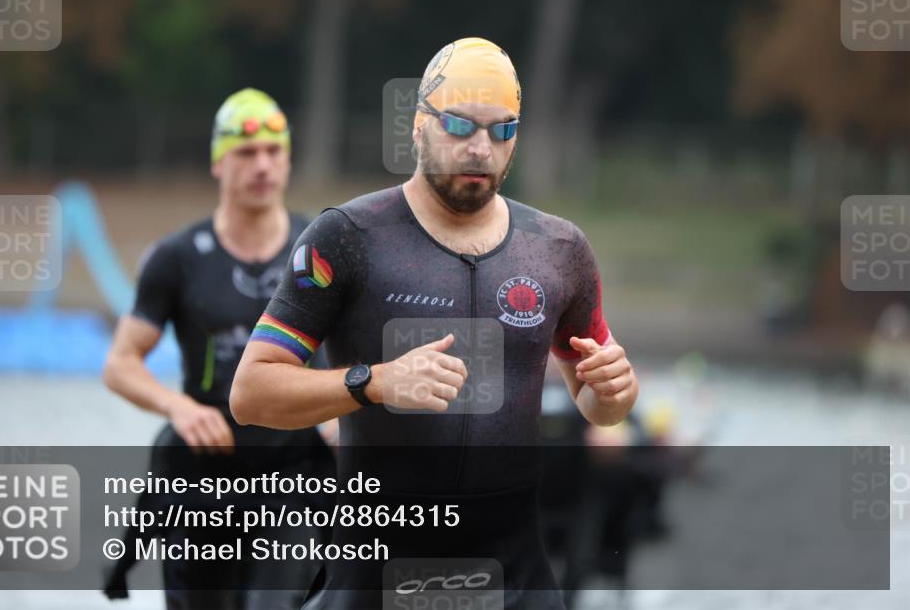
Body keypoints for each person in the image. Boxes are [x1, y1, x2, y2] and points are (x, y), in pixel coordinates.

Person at [231, 38, 639, 609]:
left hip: (512, 575)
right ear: (419, 126)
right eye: (460, 125)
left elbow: (599, 404)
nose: (480, 148)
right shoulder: (349, 236)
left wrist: (616, 393)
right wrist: (373, 382)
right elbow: (250, 394)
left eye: (501, 130)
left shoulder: (558, 248)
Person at [102, 88, 334, 610]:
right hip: (204, 473)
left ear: (288, 160)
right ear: (218, 162)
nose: (262, 166)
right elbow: (119, 363)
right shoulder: (178, 257)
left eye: (273, 151)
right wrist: (177, 407)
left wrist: (345, 409)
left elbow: (361, 346)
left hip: (293, 474)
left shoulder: (320, 248)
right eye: (246, 153)